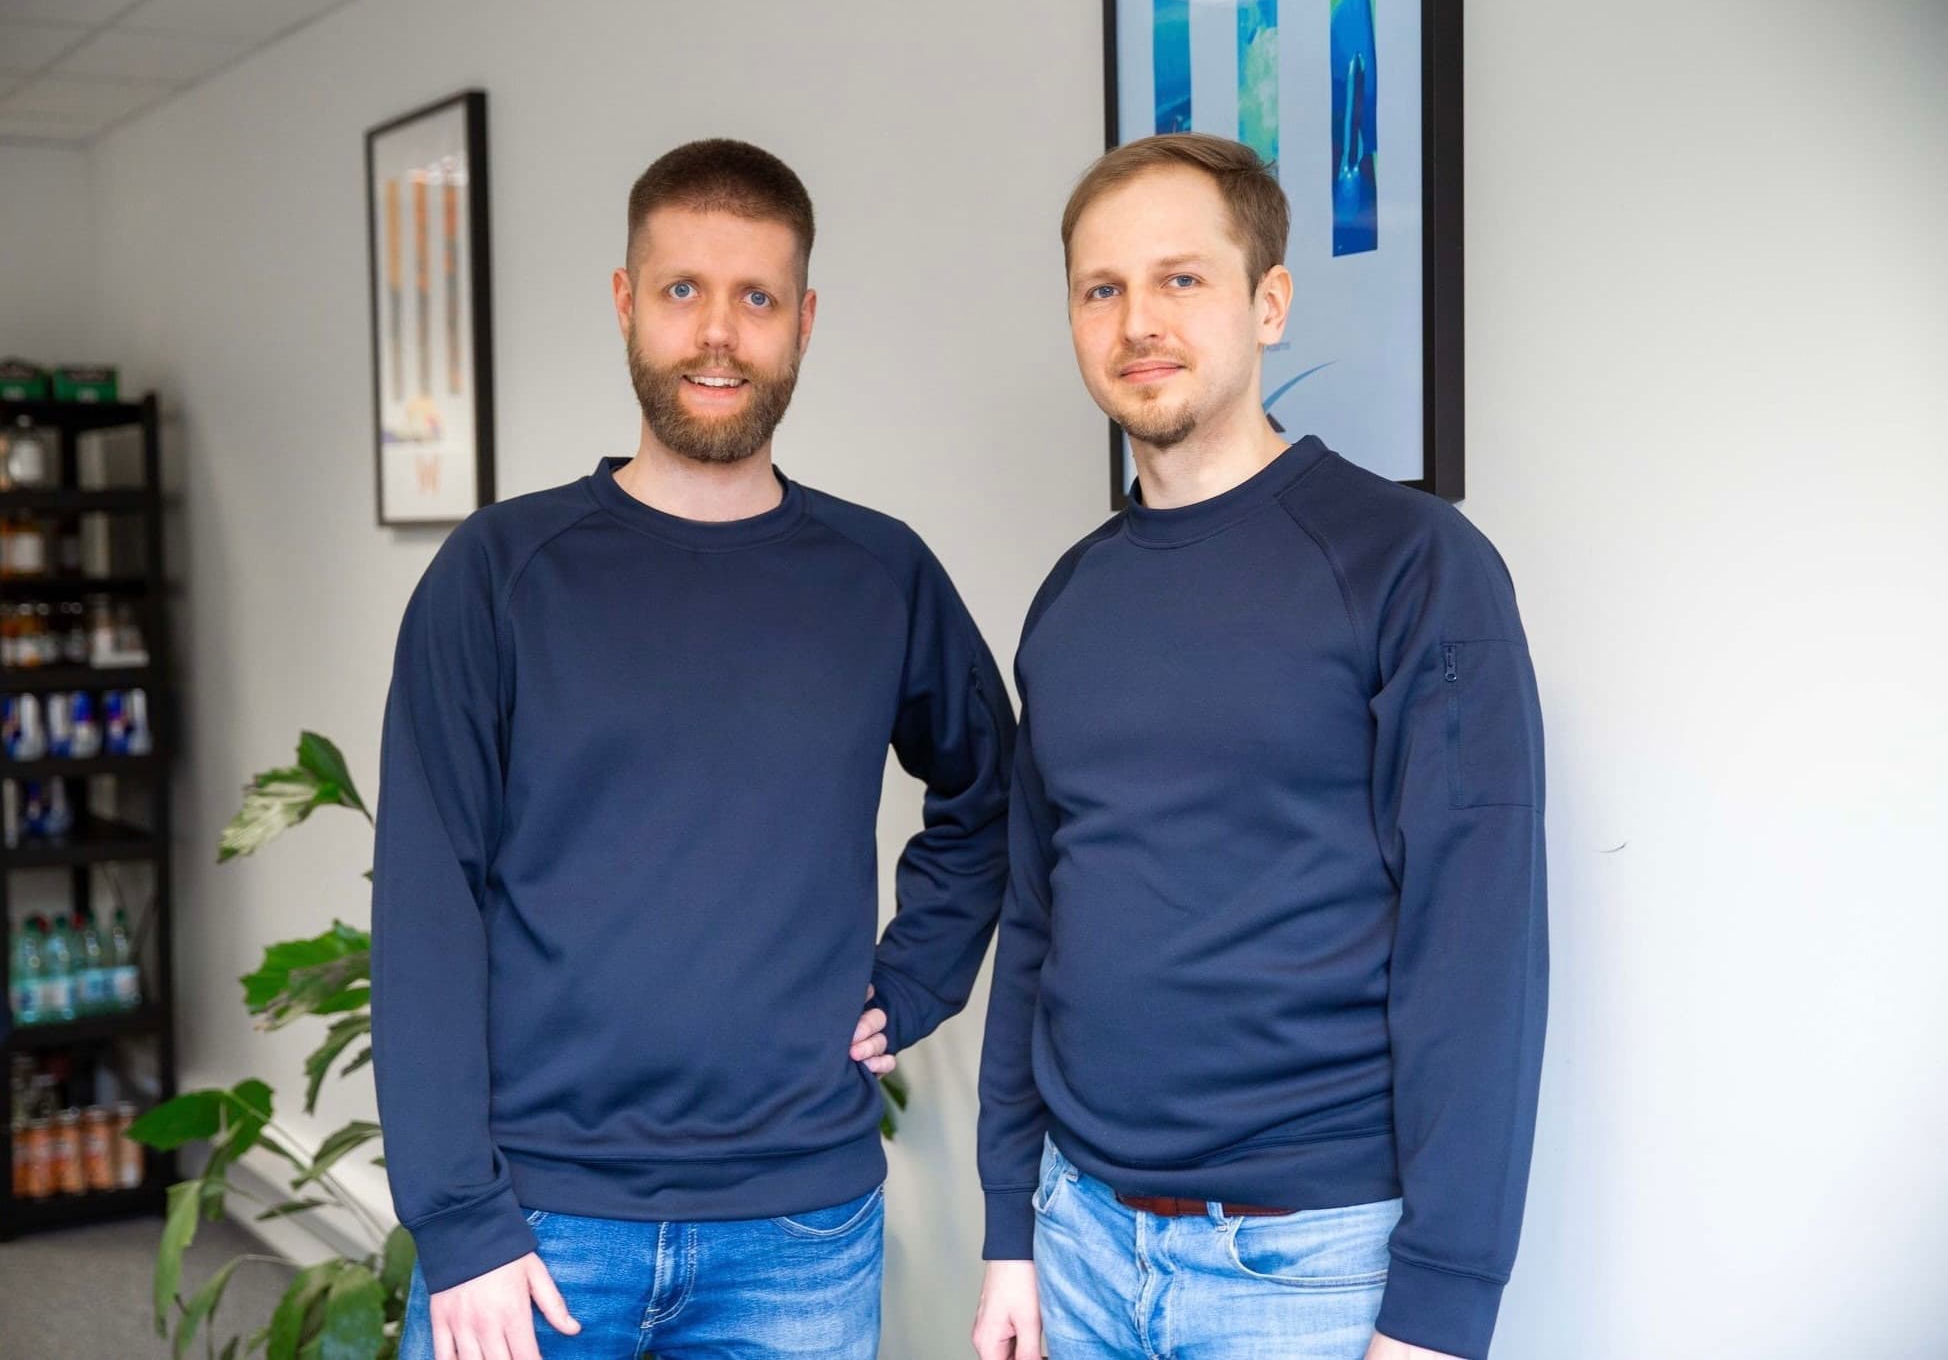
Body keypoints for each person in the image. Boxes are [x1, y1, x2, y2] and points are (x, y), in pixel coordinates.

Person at [373, 137, 1014, 1360]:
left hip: (799, 1231)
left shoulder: (879, 575)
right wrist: (457, 1218)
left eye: (756, 298)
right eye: (682, 290)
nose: (717, 334)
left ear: (803, 322)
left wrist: (915, 977)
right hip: (535, 1222)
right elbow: (425, 899)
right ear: (626, 302)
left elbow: (992, 792)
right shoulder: (500, 573)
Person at [972, 132, 1548, 1360]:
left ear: (1268, 303)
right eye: (1101, 288)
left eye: (1181, 278)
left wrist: (1440, 1310)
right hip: (1079, 1246)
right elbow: (1034, 923)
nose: (1138, 320)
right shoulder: (1070, 599)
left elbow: (1478, 944)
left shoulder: (1412, 564)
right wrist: (1007, 1226)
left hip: (1306, 1270)